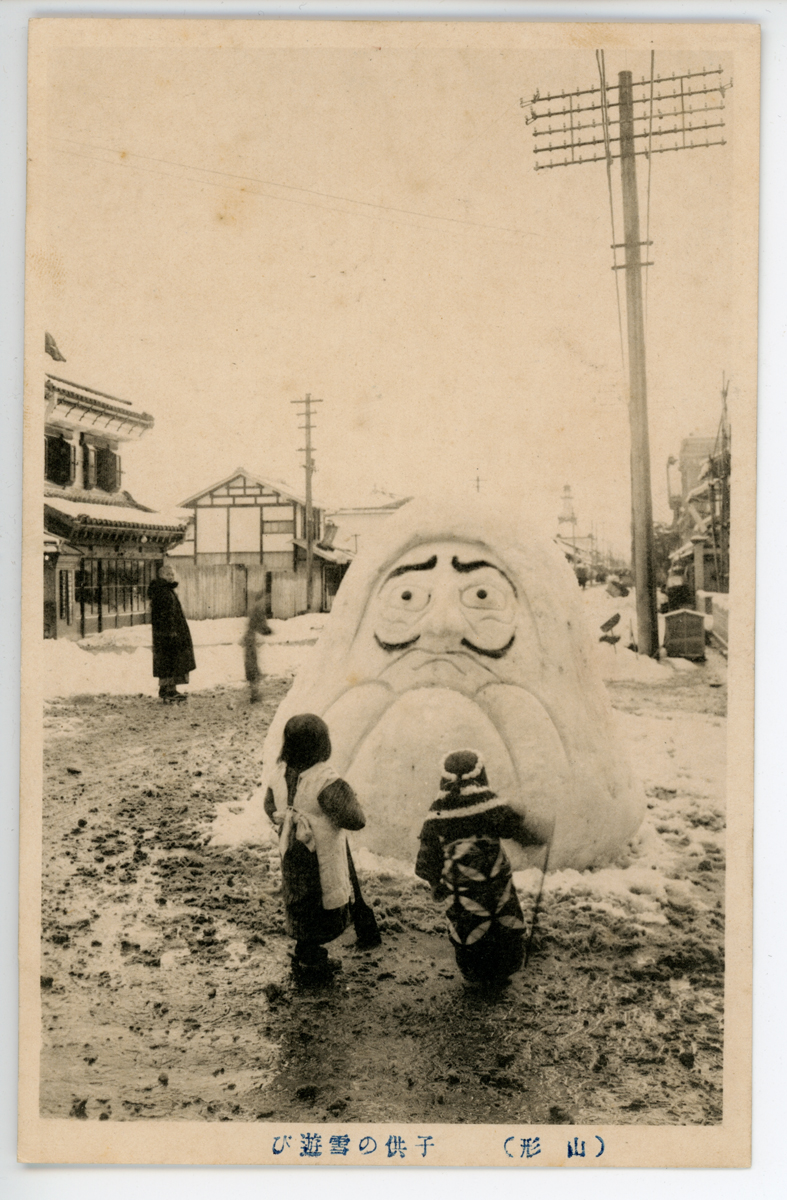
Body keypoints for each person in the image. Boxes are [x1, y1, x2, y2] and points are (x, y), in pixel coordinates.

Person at [416, 748, 544, 986]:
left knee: (469, 924)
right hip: (496, 881)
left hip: (461, 888)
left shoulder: (437, 811)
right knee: (502, 919)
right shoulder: (488, 803)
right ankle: (505, 970)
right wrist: (536, 835)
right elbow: (514, 827)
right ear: (481, 774)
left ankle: (474, 974)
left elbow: (428, 854)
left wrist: (435, 883)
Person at [264, 713, 378, 980]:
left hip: (292, 850)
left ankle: (305, 948)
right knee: (320, 900)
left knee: (298, 897)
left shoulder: (278, 774)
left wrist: (287, 819)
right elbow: (355, 819)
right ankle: (311, 959)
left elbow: (270, 807)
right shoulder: (325, 780)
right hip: (320, 856)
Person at [147, 561, 196, 703]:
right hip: (168, 634)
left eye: (172, 574)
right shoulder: (162, 591)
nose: (171, 576)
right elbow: (163, 615)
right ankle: (168, 690)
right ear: (161, 575)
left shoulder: (166, 589)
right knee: (169, 660)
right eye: (168, 574)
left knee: (171, 660)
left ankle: (169, 689)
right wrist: (170, 631)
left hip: (170, 632)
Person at [243, 592, 273, 703]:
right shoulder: (259, 609)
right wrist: (268, 631)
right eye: (266, 598)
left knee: (251, 666)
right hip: (251, 639)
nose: (267, 601)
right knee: (252, 667)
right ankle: (254, 695)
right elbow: (261, 627)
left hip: (250, 639)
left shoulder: (256, 608)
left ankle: (254, 693)